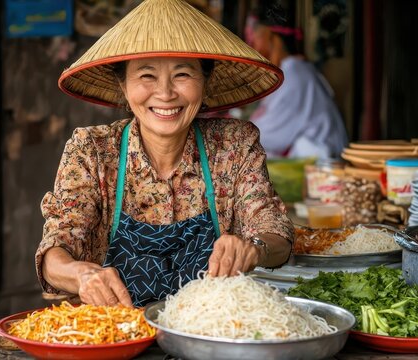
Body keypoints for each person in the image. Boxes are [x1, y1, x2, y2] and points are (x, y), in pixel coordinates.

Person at [36, 0, 294, 307]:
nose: (166, 93)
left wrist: (254, 248)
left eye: (182, 74)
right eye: (147, 75)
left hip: (209, 337)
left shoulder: (235, 146)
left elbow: (275, 231)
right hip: (116, 338)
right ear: (124, 85)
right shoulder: (91, 151)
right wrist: (80, 275)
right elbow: (56, 249)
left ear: (206, 83)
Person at [247, 3, 349, 161]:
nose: (252, 45)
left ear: (270, 36)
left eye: (255, 37)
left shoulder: (294, 75)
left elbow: (267, 135)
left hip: (325, 167)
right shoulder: (289, 71)